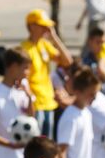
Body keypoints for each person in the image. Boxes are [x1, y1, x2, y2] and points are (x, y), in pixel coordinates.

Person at [20, 9, 72, 140]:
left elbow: (67, 61)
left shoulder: (44, 44)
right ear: (32, 26)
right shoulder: (24, 48)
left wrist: (54, 37)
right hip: (35, 102)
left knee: (47, 140)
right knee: (36, 141)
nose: (45, 29)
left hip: (48, 99)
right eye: (42, 26)